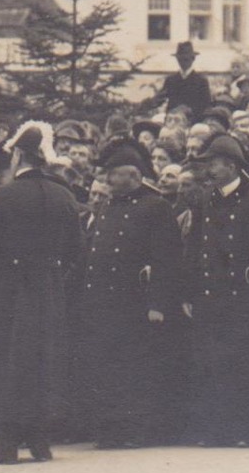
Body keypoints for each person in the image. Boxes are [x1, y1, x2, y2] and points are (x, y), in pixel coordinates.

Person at [0, 122, 82, 464]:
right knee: (42, 361)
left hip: (8, 292)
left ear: (18, 155)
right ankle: (40, 442)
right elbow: (77, 250)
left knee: (6, 362)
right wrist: (53, 274)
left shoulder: (0, 197)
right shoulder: (64, 196)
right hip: (47, 291)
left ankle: (5, 444)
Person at [73, 141, 181, 449]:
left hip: (133, 303)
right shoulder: (108, 205)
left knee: (132, 368)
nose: (107, 180)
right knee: (104, 366)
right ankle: (109, 428)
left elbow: (166, 259)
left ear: (133, 175)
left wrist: (158, 304)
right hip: (101, 303)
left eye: (113, 174)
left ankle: (135, 429)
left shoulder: (155, 206)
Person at [183, 134, 249, 447]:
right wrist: (189, 291)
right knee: (212, 362)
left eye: (212, 164)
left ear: (231, 165)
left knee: (245, 362)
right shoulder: (205, 198)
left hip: (245, 294)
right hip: (210, 293)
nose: (208, 171)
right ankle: (217, 429)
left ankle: (248, 430)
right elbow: (195, 246)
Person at [155, 42, 211, 121]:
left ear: (193, 59)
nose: (183, 62)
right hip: (172, 124)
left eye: (186, 59)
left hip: (193, 123)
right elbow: (160, 101)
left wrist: (189, 111)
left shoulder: (201, 81)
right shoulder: (171, 80)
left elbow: (206, 107)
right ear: (177, 59)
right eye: (181, 59)